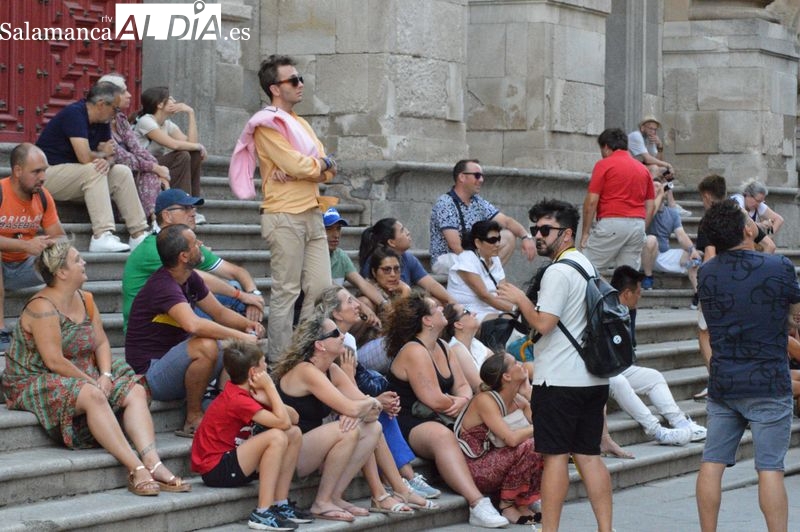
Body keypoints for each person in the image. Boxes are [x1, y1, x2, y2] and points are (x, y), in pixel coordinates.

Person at [0, 239, 190, 496]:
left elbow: (100, 341)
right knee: (93, 394)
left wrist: (106, 375)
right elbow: (54, 361)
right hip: (36, 376)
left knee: (134, 390)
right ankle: (136, 469)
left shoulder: (86, 298)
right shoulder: (42, 307)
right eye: (77, 260)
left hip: (79, 366)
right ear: (61, 272)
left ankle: (152, 461)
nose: (85, 262)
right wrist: (93, 383)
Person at [497, 198, 613, 532]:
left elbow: (544, 323)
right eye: (534, 229)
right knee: (589, 456)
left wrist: (520, 300)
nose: (537, 235)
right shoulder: (584, 265)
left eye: (545, 229)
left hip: (559, 381)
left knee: (556, 459)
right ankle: (606, 529)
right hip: (591, 379)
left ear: (566, 233)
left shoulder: (558, 272)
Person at [695, 199, 800, 532]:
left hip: (725, 381)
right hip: (768, 380)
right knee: (769, 468)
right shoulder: (778, 266)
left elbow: (708, 328)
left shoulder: (706, 273)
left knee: (711, 463)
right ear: (747, 228)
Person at [125, 224, 265, 438]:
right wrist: (241, 336)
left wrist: (246, 326)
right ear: (183, 256)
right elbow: (194, 325)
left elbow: (218, 312)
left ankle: (229, 409)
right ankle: (193, 418)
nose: (200, 245)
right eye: (195, 243)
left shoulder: (189, 277)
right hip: (150, 372)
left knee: (233, 346)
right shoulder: (163, 285)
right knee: (206, 345)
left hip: (176, 364)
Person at [385, 291, 509, 528]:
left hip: (443, 414)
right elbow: (433, 399)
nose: (442, 309)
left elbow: (463, 386)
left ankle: (512, 494)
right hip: (408, 422)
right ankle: (477, 504)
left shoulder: (443, 345)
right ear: (427, 320)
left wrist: (462, 400)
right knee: (443, 436)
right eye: (436, 308)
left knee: (487, 421)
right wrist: (459, 400)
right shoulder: (414, 350)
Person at [246, 54, 336, 363]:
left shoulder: (302, 124)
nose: (301, 84)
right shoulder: (266, 124)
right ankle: (280, 361)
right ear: (274, 88)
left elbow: (326, 168)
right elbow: (294, 163)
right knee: (286, 291)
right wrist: (312, 166)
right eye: (293, 80)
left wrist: (312, 167)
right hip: (284, 214)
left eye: (300, 79)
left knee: (323, 287)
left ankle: (303, 348)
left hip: (311, 211)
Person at [315, 285, 442, 501]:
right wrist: (371, 397)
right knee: (375, 415)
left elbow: (355, 386)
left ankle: (405, 479)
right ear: (336, 313)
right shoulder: (327, 342)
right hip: (329, 414)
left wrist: (377, 400)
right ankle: (394, 485)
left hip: (351, 403)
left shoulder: (349, 340)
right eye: (349, 302)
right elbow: (338, 392)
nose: (357, 305)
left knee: (382, 410)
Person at [272, 315, 383, 523]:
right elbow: (355, 406)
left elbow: (374, 412)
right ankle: (321, 502)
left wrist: (363, 407)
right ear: (319, 345)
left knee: (373, 428)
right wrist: (366, 404)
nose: (343, 336)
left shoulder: (331, 369)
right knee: (347, 429)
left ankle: (334, 496)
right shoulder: (306, 371)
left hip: (311, 451)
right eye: (335, 333)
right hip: (287, 456)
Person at [191, 340, 311, 531]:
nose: (268, 367)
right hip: (216, 469)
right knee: (277, 437)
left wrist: (268, 398)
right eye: (264, 363)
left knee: (293, 434)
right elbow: (283, 422)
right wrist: (271, 389)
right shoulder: (238, 399)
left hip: (234, 459)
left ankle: (281, 504)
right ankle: (262, 513)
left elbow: (294, 419)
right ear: (253, 372)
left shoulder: (249, 392)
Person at [121, 188, 265, 331]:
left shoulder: (188, 242)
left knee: (236, 288)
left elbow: (236, 271)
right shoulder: (155, 247)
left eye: (193, 207)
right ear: (167, 216)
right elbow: (199, 278)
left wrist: (253, 294)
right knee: (232, 298)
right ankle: (241, 342)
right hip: (150, 325)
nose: (193, 212)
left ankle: (243, 341)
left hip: (175, 310)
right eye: (185, 208)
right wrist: (242, 296)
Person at [35, 82, 149, 252]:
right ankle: (101, 235)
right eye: (116, 109)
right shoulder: (74, 114)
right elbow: (84, 157)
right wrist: (102, 156)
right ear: (102, 104)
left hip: (79, 178)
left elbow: (110, 156)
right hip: (46, 175)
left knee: (121, 172)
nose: (117, 114)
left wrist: (107, 161)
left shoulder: (102, 121)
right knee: (94, 169)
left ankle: (138, 234)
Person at [607, 265, 704, 447]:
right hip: (597, 372)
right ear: (627, 293)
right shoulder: (603, 310)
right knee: (618, 381)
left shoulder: (628, 310)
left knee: (653, 376)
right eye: (638, 292)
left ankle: (681, 422)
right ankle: (656, 431)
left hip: (617, 365)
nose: (640, 295)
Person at [456, 352, 543, 525]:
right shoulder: (485, 400)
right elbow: (511, 439)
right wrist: (538, 428)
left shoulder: (518, 399)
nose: (521, 364)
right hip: (478, 468)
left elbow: (547, 423)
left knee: (545, 443)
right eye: (515, 363)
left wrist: (527, 393)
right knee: (533, 444)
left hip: (502, 461)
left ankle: (522, 500)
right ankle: (507, 504)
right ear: (506, 376)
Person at [0, 143, 65, 351]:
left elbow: (60, 237)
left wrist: (50, 244)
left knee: (67, 260)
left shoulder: (43, 196)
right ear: (18, 171)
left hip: (24, 267)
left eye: (44, 170)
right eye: (36, 171)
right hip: (3, 265)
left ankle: (63, 324)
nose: (43, 177)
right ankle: (1, 331)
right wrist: (25, 245)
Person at [429, 159, 535, 274]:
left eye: (482, 176)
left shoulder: (478, 202)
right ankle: (485, 277)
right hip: (448, 258)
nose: (481, 180)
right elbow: (455, 245)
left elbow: (506, 221)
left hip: (473, 254)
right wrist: (476, 261)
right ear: (462, 177)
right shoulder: (445, 203)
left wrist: (526, 237)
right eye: (477, 176)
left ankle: (489, 276)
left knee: (508, 237)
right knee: (466, 260)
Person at [97, 73, 170, 225]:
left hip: (132, 168)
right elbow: (120, 156)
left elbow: (137, 147)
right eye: (124, 91)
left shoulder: (120, 118)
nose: (129, 95)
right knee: (149, 172)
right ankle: (148, 221)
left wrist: (158, 167)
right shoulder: (100, 120)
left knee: (151, 173)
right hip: (108, 169)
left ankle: (154, 220)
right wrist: (155, 167)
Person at [580, 127, 654, 271]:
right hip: (638, 224)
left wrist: (585, 232)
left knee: (584, 268)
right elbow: (650, 206)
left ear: (606, 147)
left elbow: (591, 202)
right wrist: (642, 227)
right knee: (628, 276)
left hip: (611, 222)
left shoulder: (604, 164)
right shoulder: (643, 169)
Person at [133, 86, 206, 213]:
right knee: (182, 155)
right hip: (144, 165)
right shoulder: (146, 121)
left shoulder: (167, 124)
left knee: (194, 154)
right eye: (170, 99)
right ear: (160, 104)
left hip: (159, 163)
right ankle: (184, 206)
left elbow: (192, 143)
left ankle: (192, 204)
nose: (174, 101)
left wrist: (191, 113)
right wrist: (199, 146)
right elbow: (174, 145)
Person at [358, 217, 454, 306]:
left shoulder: (407, 257)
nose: (408, 232)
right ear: (391, 242)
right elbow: (393, 312)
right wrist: (405, 290)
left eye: (397, 269)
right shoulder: (375, 261)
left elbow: (431, 284)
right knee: (365, 302)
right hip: (383, 306)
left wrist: (453, 302)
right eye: (402, 230)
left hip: (403, 304)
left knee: (435, 302)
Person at [640, 175, 702, 299]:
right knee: (651, 239)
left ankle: (698, 295)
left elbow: (681, 235)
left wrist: (692, 250)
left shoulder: (672, 213)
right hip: (644, 254)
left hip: (663, 255)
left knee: (695, 255)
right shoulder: (644, 207)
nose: (656, 189)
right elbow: (651, 212)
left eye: (658, 186)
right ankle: (648, 277)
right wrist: (658, 195)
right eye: (652, 187)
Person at [323, 207, 382, 326]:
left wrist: (385, 304)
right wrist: (361, 306)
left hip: (337, 311)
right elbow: (332, 286)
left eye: (338, 229)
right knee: (361, 306)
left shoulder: (340, 255)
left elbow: (362, 283)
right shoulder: (310, 257)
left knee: (368, 303)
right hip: (320, 313)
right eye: (328, 229)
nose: (336, 235)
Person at [446, 220, 515, 322]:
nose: (498, 244)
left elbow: (503, 292)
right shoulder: (467, 259)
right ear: (478, 243)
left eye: (499, 239)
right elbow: (485, 296)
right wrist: (516, 309)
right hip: (469, 314)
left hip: (493, 311)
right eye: (492, 240)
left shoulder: (495, 259)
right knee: (511, 321)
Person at [443, 303, 492, 393]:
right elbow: (480, 387)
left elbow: (499, 365)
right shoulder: (456, 349)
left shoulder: (475, 343)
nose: (474, 313)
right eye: (466, 312)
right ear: (458, 324)